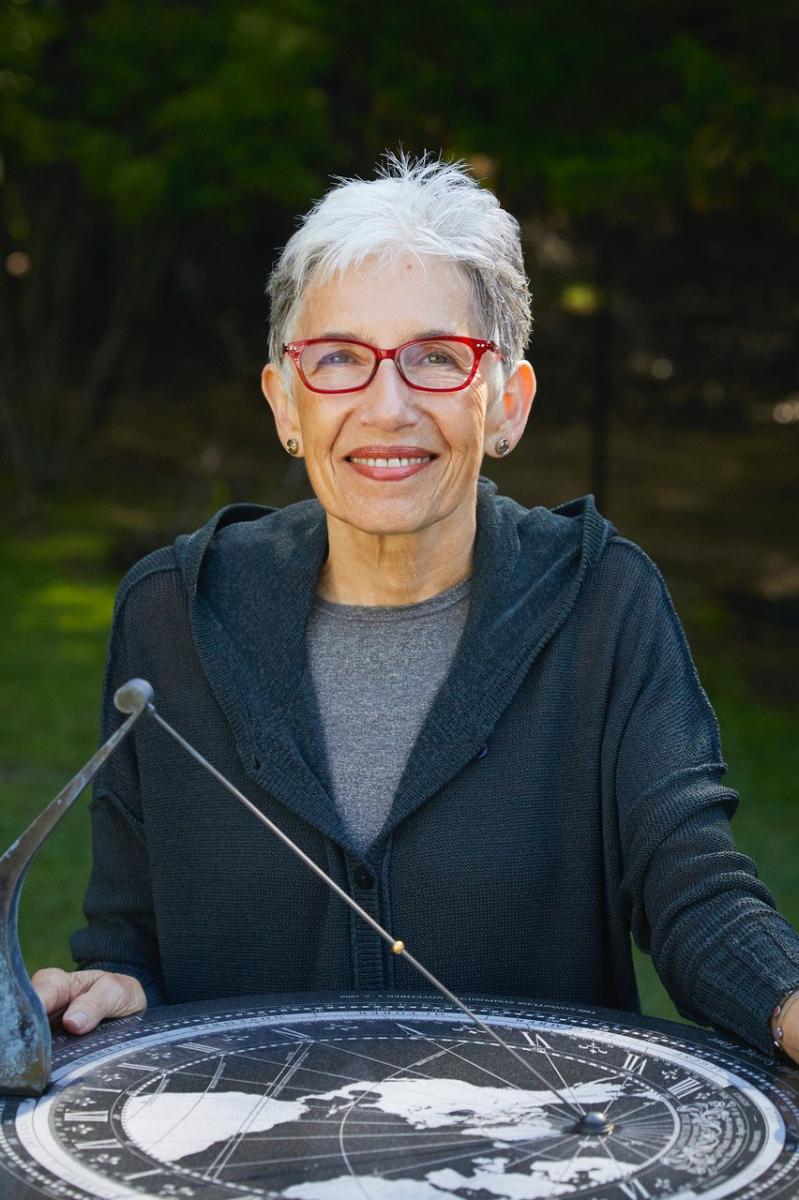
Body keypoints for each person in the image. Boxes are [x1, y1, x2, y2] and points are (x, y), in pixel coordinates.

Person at [32, 152, 799, 1063]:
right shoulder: (169, 614)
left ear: (505, 404)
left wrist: (786, 1001)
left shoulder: (603, 604)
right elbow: (133, 940)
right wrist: (113, 991)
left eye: (437, 358)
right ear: (286, 403)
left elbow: (696, 897)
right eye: (339, 360)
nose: (386, 406)